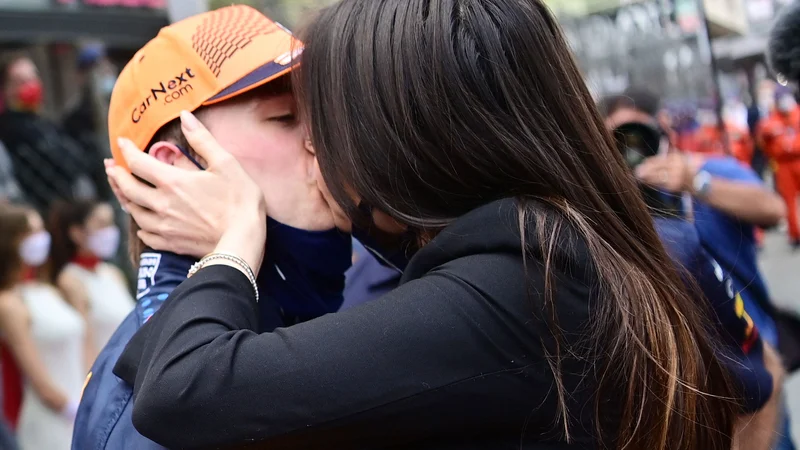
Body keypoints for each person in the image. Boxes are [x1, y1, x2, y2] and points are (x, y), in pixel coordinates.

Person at [108, 0, 752, 448]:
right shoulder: (561, 242)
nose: (320, 146)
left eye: (332, 120)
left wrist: (227, 247)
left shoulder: (518, 274)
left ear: (413, 130)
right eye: (287, 120)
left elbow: (186, 392)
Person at [72, 6, 354, 450]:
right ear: (176, 169)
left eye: (323, 114)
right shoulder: (155, 404)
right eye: (284, 118)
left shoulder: (306, 299)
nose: (321, 139)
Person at [604, 87, 792, 449]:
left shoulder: (708, 169)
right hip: (692, 383)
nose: (632, 148)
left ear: (661, 131)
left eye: (639, 135)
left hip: (755, 359)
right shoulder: (616, 205)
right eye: (619, 140)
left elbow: (773, 208)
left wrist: (695, 183)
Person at [0, 204, 83, 450]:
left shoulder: (49, 290)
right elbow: (36, 377)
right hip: (51, 418)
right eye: (31, 232)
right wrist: (71, 408)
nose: (41, 237)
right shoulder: (9, 302)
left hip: (78, 407)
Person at [0, 53, 100, 214]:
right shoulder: (10, 130)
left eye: (33, 78)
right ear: (7, 89)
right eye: (22, 81)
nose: (32, 85)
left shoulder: (43, 122)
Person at [47, 200, 133, 360]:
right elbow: (84, 342)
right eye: (101, 224)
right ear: (77, 233)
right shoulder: (70, 279)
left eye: (111, 223)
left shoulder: (113, 273)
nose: (109, 231)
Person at [757, 85, 800, 248]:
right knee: (788, 200)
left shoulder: (798, 114)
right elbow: (763, 144)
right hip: (783, 164)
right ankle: (795, 235)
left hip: (798, 158)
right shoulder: (770, 121)